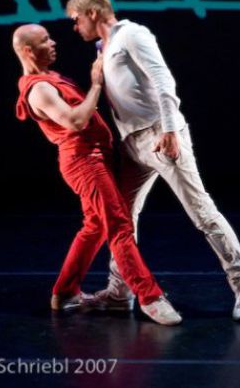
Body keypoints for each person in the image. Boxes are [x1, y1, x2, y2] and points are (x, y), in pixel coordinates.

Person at [66, 0, 240, 322]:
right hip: (131, 145)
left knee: (202, 212)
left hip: (160, 136)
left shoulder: (132, 34)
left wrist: (169, 130)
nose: (75, 26)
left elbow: (163, 80)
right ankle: (120, 290)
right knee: (121, 220)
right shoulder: (102, 48)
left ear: (92, 13)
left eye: (76, 18)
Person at [12, 23, 183, 325]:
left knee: (95, 226)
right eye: (45, 40)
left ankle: (65, 292)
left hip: (95, 158)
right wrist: (96, 84)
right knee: (118, 224)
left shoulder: (50, 78)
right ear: (28, 50)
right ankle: (150, 297)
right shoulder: (38, 89)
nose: (53, 43)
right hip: (83, 163)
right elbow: (76, 121)